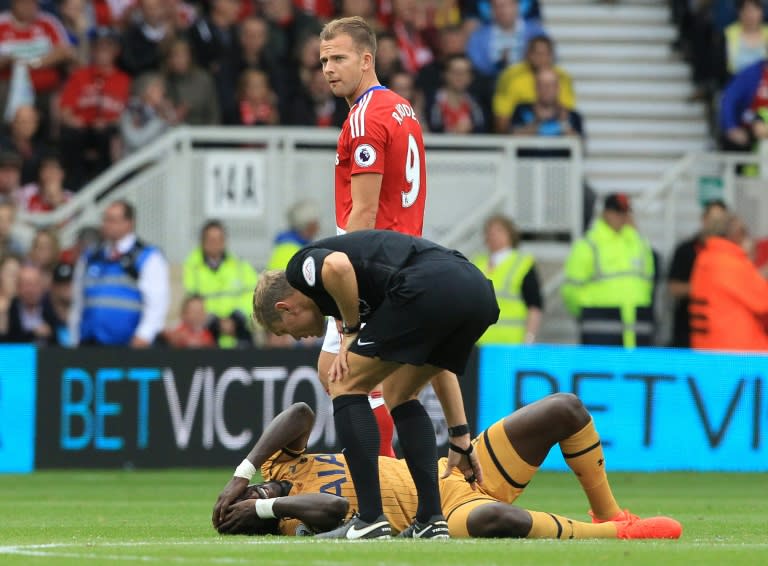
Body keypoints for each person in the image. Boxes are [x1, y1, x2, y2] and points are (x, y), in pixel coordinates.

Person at [240, 230, 499, 539]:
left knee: (345, 382)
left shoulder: (300, 268)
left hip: (429, 286)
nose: (297, 338)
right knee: (399, 392)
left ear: (286, 308)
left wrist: (350, 331)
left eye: (285, 331)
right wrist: (460, 437)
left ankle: (370, 519)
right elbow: (439, 366)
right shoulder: (372, 293)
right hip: (475, 292)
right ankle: (431, 519)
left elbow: (337, 266)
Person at [212, 397, 682, 540]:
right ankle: (614, 538)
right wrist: (269, 510)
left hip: (455, 473)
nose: (252, 494)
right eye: (251, 503)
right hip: (440, 516)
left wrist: (242, 472)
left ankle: (609, 513)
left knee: (565, 409)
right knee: (499, 520)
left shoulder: (279, 461)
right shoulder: (294, 519)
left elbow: (299, 413)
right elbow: (334, 508)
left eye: (249, 494)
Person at [317, 15, 431, 464]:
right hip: (405, 252)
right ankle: (387, 477)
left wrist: (351, 278)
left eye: (339, 58)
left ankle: (380, 484)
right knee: (345, 374)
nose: (329, 68)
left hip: (375, 259)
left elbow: (364, 209)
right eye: (324, 60)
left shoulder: (364, 119)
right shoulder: (401, 107)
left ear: (367, 60)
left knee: (351, 377)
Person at [69, 199, 170, 347]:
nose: (106, 225)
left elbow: (157, 303)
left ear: (129, 223)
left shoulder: (148, 257)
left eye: (113, 220)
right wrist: (75, 337)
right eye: (105, 219)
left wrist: (144, 336)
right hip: (90, 346)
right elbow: (78, 302)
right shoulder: (90, 257)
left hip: (128, 348)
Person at [562, 193, 655, 347]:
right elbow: (571, 289)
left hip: (637, 325)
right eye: (617, 212)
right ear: (605, 213)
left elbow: (648, 282)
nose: (622, 217)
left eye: (625, 212)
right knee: (597, 370)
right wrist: (586, 313)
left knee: (636, 370)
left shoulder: (639, 243)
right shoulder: (589, 244)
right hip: (599, 325)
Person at [58, 27, 131, 189]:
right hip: (81, 128)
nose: (102, 51)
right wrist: (73, 120)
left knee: (106, 135)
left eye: (107, 47)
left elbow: (128, 114)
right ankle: (73, 186)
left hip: (106, 130)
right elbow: (64, 110)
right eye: (98, 47)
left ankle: (104, 186)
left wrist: (110, 122)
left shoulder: (124, 80)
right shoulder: (80, 75)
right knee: (71, 134)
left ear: (116, 51)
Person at [690, 213, 768, 351]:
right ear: (737, 235)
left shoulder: (705, 259)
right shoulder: (731, 262)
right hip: (738, 352)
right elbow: (763, 300)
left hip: (706, 346)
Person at [182, 219, 257, 349]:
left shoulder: (240, 265)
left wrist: (237, 318)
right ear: (202, 242)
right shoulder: (192, 267)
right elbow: (192, 301)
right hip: (208, 328)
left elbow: (253, 295)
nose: (215, 243)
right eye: (211, 239)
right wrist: (215, 321)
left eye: (219, 239)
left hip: (239, 326)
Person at [667, 200, 728, 348]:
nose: (716, 225)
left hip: (721, 332)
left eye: (720, 221)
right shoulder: (685, 250)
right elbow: (673, 288)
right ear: (704, 219)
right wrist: (706, 288)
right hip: (687, 330)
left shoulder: (730, 253)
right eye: (713, 220)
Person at [473, 214, 542, 344]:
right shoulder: (477, 263)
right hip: (479, 343)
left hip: (510, 343)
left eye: (499, 230)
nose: (493, 235)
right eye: (489, 231)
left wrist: (529, 338)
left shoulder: (523, 263)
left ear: (510, 233)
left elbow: (534, 306)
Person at [493, 34, 575, 133]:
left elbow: (566, 114)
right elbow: (502, 121)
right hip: (521, 131)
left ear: (552, 56)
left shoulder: (562, 78)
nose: (542, 58)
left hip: (555, 131)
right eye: (538, 53)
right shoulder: (510, 77)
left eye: (546, 54)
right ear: (528, 54)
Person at [2, 262, 60, 345]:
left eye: (34, 284)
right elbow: (8, 341)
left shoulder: (51, 308)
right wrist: (33, 333)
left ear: (41, 287)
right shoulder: (9, 310)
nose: (30, 290)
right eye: (26, 285)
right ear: (17, 287)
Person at [426, 54, 486, 134]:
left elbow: (482, 130)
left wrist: (471, 130)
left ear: (471, 77)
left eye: (465, 72)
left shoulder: (476, 103)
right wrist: (452, 132)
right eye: (455, 72)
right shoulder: (430, 102)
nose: (460, 76)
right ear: (444, 74)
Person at [266, 200, 320, 270]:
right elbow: (282, 279)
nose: (318, 227)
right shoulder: (288, 249)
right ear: (308, 224)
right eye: (315, 222)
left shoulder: (297, 245)